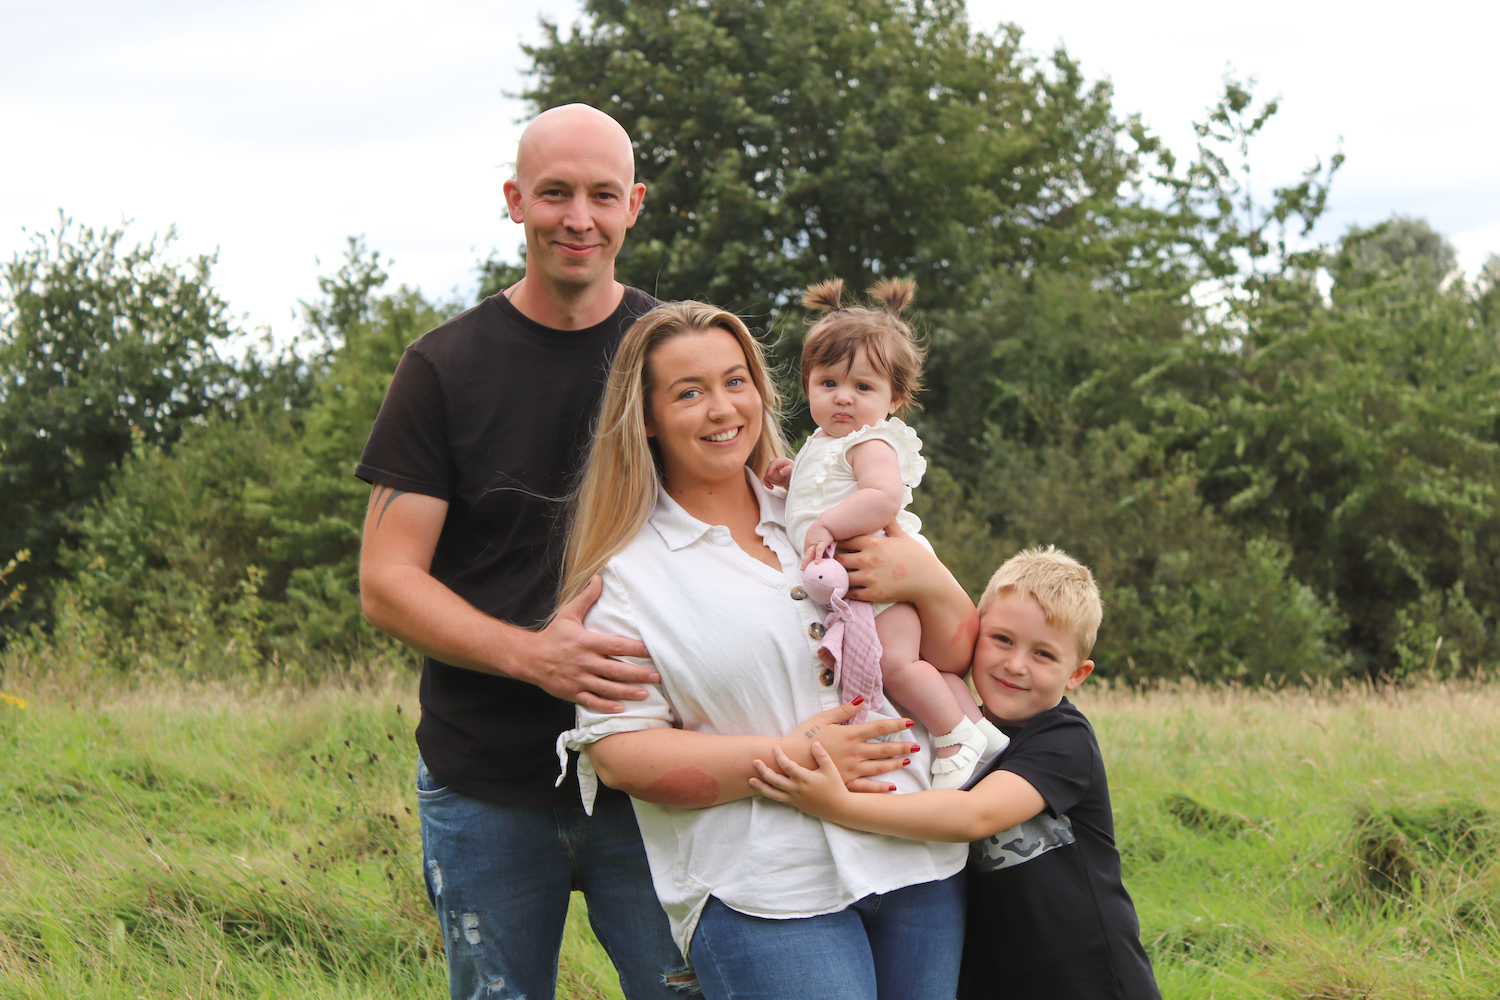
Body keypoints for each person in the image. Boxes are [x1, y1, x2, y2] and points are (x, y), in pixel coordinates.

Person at [356, 104, 696, 999]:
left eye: (601, 195)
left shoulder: (682, 357)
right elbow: (388, 584)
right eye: (553, 193)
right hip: (486, 785)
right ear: (514, 201)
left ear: (636, 207)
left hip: (661, 775)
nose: (577, 217)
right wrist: (535, 658)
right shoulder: (443, 367)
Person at [555, 300, 980, 1000]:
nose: (723, 409)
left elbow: (953, 656)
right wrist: (790, 757)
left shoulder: (821, 507)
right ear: (648, 416)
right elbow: (622, 755)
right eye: (690, 392)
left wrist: (932, 581)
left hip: (918, 858)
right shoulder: (628, 573)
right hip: (766, 890)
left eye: (736, 381)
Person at [750, 547, 1163, 1000]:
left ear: (1076, 675)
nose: (1016, 664)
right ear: (974, 636)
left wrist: (842, 805)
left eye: (1043, 654)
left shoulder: (1063, 739)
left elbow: (974, 816)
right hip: (997, 977)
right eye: (1002, 640)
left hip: (1087, 977)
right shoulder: (954, 727)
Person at [763, 277, 1004, 789]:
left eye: (863, 387)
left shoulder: (872, 442)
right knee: (917, 665)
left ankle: (955, 736)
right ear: (807, 384)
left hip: (888, 574)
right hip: (865, 579)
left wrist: (827, 522)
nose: (843, 399)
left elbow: (881, 498)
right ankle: (982, 728)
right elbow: (825, 489)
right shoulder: (823, 443)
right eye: (828, 384)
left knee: (897, 664)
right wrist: (793, 477)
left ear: (894, 397)